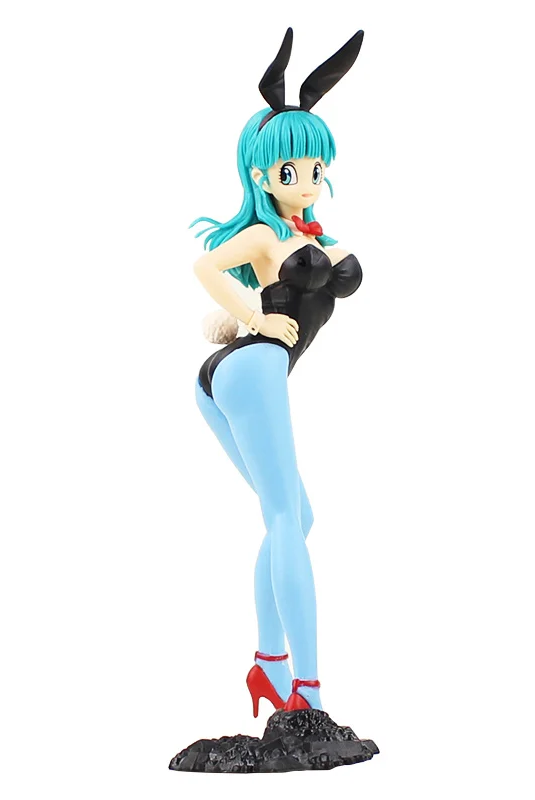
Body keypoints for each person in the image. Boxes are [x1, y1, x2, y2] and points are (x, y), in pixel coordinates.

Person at [191, 28, 364, 716]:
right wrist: (252, 316)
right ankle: (308, 695)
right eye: (290, 171)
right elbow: (206, 265)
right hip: (255, 365)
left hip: (252, 370)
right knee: (289, 516)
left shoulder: (312, 234)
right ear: (261, 175)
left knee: (294, 516)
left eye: (315, 168)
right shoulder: (266, 235)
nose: (307, 180)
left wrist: (247, 321)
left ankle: (269, 664)